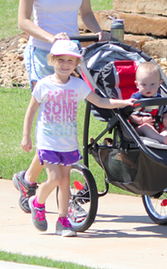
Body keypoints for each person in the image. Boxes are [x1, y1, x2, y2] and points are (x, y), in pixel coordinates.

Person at [13, 0, 110, 214]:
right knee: (54, 122)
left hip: (71, 55)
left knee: (64, 122)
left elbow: (87, 12)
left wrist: (100, 32)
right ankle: (44, 188)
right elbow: (22, 21)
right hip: (43, 53)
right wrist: (51, 38)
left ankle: (27, 179)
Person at [21, 40, 134, 237]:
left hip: (68, 143)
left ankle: (63, 221)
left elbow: (99, 101)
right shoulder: (43, 84)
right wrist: (26, 137)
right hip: (48, 141)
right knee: (54, 178)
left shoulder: (78, 85)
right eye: (60, 60)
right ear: (52, 60)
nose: (65, 64)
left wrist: (124, 101)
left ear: (76, 64)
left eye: (70, 61)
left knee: (65, 181)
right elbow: (31, 110)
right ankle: (37, 202)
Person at [129, 62, 167, 144]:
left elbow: (164, 112)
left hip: (158, 127)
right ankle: (160, 138)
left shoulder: (159, 98)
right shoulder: (136, 98)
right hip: (140, 127)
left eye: (152, 84)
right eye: (144, 84)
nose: (148, 88)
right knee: (146, 127)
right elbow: (130, 115)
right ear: (137, 84)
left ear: (159, 84)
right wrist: (141, 120)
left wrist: (166, 119)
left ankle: (164, 134)